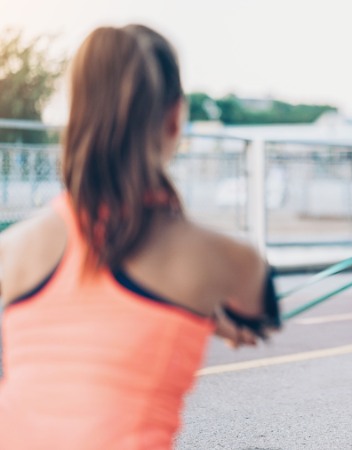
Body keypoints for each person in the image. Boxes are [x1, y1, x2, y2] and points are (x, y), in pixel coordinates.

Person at [0, 24, 279, 450]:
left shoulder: (12, 250)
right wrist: (213, 317)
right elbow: (260, 313)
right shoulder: (228, 259)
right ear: (174, 117)